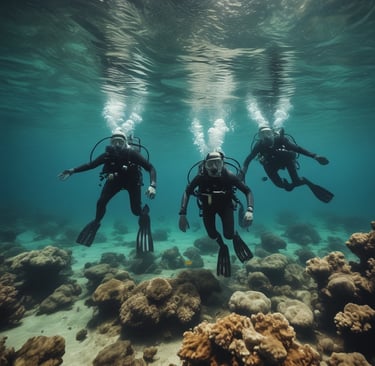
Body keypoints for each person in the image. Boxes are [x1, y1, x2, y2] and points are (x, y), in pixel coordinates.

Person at [58, 129, 157, 252]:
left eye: (120, 142)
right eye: (114, 142)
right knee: (101, 202)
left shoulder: (132, 154)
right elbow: (90, 165)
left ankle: (144, 215)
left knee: (136, 211)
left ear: (125, 143)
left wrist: (152, 185)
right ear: (110, 142)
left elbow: (150, 167)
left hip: (132, 182)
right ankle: (96, 222)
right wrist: (72, 170)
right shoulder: (107, 155)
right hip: (114, 181)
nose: (116, 145)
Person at [178, 151, 254, 277]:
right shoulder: (201, 177)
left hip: (226, 206)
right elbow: (187, 192)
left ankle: (235, 237)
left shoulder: (228, 175)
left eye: (217, 163)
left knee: (228, 235)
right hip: (208, 207)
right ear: (205, 165)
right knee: (212, 235)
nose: (213, 168)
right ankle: (222, 245)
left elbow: (247, 191)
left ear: (223, 163)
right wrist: (182, 214)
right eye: (210, 164)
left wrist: (250, 209)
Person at [241, 126, 334, 203]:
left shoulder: (281, 139)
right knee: (280, 185)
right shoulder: (259, 146)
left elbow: (298, 149)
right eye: (262, 135)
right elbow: (248, 160)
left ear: (272, 133)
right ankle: (287, 185)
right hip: (271, 164)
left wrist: (315, 156)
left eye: (268, 133)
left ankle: (305, 182)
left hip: (286, 159)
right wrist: (243, 172)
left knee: (296, 181)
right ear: (259, 137)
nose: (265, 136)